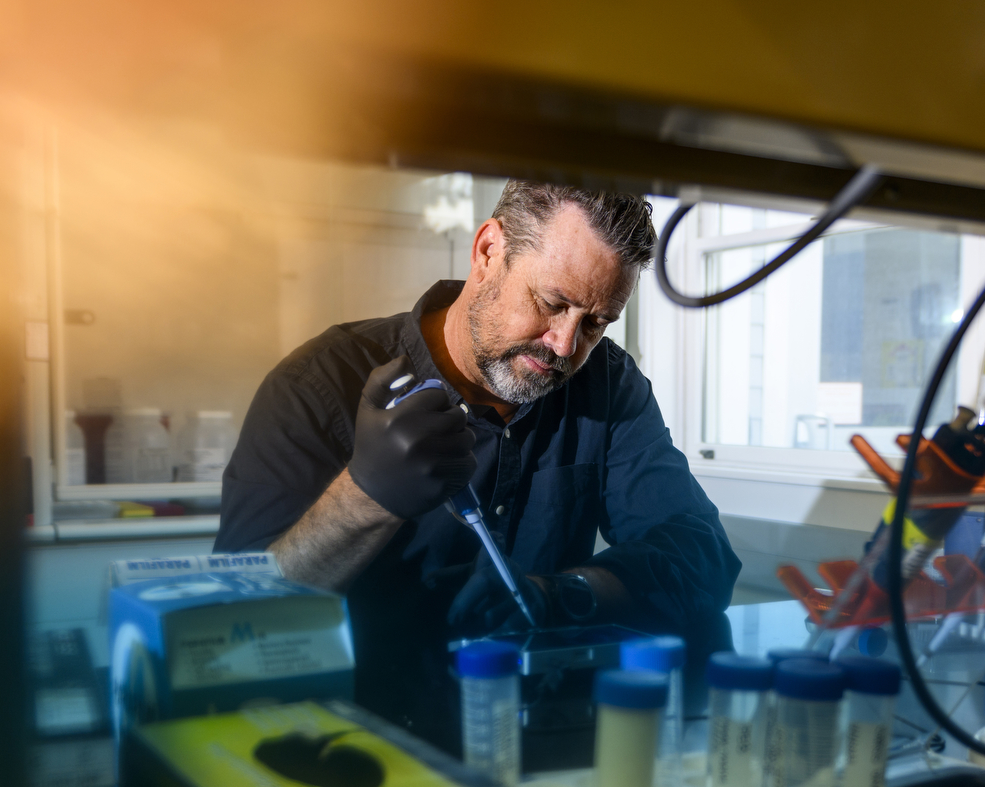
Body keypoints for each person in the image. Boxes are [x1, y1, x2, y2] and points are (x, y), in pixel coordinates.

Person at [216, 181, 740, 753]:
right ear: (489, 251)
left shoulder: (606, 385)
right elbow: (236, 614)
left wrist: (561, 593)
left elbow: (702, 555)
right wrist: (366, 496)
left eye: (595, 323)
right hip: (355, 751)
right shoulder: (318, 385)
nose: (565, 346)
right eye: (551, 302)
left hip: (536, 742)